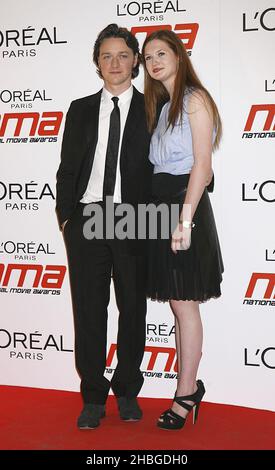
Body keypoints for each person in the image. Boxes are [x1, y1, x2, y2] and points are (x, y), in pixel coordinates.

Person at [56, 24, 152, 429]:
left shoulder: (155, 109)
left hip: (135, 219)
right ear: (97, 63)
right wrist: (66, 218)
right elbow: (67, 169)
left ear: (136, 61)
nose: (115, 63)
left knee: (133, 308)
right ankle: (93, 396)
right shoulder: (79, 109)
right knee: (90, 311)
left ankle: (127, 390)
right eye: (106, 56)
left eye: (123, 55)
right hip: (88, 217)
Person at [141, 30, 224, 430]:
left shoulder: (195, 100)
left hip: (182, 208)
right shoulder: (162, 106)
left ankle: (186, 391)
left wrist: (184, 221)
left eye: (161, 53)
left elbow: (202, 166)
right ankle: (187, 388)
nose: (153, 61)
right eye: (148, 56)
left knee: (184, 304)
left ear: (179, 55)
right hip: (160, 210)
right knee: (177, 303)